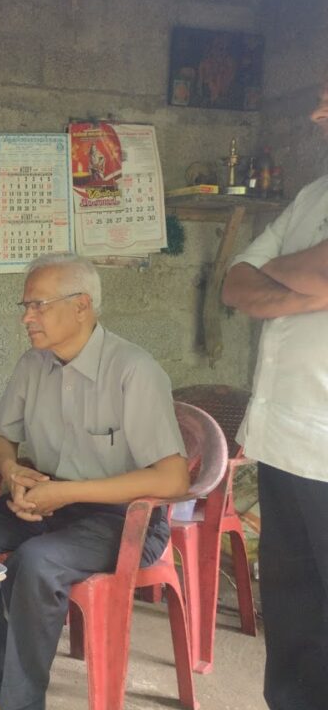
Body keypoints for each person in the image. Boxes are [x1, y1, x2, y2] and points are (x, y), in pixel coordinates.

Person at [0, 253, 189, 710]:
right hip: (49, 498)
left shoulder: (133, 370)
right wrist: (14, 474)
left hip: (123, 518)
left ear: (81, 306)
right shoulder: (33, 364)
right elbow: (0, 439)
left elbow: (172, 479)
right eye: (25, 306)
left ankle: (19, 701)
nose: (26, 317)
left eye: (38, 305)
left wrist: (67, 493)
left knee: (37, 562)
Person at [221, 82, 328, 710]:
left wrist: (293, 276)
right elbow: (236, 284)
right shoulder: (315, 196)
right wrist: (307, 286)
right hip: (285, 442)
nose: (317, 114)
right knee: (292, 610)